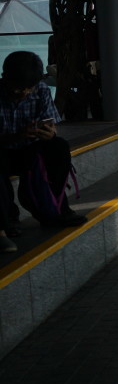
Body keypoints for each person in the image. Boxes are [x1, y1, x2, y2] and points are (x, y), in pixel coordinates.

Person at [0, 51, 86, 252]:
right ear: (5, 78)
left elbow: (50, 124)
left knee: (59, 147)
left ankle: (56, 208)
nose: (24, 94)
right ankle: (7, 220)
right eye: (18, 89)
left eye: (28, 89)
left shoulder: (41, 91)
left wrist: (49, 134)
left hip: (29, 149)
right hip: (3, 149)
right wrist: (17, 135)